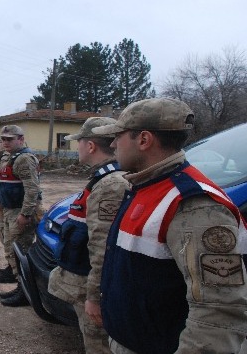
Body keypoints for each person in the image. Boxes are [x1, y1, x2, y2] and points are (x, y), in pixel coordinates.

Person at [91, 98, 247, 353]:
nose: (112, 144)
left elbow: (219, 312)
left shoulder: (193, 205)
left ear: (143, 140)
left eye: (118, 136)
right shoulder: (145, 188)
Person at [47, 117, 129, 354]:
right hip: (84, 283)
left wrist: (95, 296)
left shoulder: (111, 184)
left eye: (79, 142)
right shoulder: (103, 178)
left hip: (91, 289)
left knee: (98, 345)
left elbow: (103, 248)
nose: (77, 147)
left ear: (91, 146)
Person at [0, 125, 42, 306]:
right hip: (9, 209)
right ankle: (22, 287)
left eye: (10, 139)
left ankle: (28, 292)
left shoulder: (24, 159)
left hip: (19, 211)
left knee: (20, 250)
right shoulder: (9, 157)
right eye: (3, 139)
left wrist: (25, 213)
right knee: (12, 249)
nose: (5, 142)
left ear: (20, 139)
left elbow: (32, 189)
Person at [0, 144, 16, 283]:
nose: (1, 144)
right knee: (4, 236)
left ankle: (15, 270)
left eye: (6, 140)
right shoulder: (1, 158)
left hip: (11, 205)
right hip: (1, 202)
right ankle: (10, 266)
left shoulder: (18, 158)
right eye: (0, 141)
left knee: (12, 239)